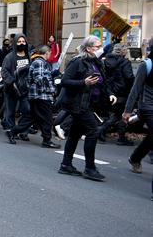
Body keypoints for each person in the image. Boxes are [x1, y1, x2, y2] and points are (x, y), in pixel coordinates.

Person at [57, 35, 117, 181]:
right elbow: (64, 81)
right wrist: (83, 82)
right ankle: (90, 168)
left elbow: (102, 83)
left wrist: (110, 94)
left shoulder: (97, 62)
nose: (100, 49)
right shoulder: (78, 62)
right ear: (89, 48)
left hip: (89, 104)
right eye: (97, 46)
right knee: (93, 131)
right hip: (78, 104)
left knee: (75, 134)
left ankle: (66, 164)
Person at [6, 45, 60, 148]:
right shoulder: (39, 62)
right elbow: (39, 78)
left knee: (32, 118)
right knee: (47, 119)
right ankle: (47, 140)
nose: (50, 55)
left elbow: (41, 77)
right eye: (50, 53)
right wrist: (50, 89)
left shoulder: (38, 62)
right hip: (41, 95)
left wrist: (52, 74)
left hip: (37, 95)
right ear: (47, 53)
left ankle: (12, 132)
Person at [123, 37, 153, 177]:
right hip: (148, 106)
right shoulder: (146, 64)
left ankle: (135, 158)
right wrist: (127, 110)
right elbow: (135, 89)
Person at [99, 43, 134, 145]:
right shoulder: (125, 62)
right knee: (122, 114)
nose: (127, 51)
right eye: (126, 49)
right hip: (122, 91)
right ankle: (121, 138)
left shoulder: (107, 61)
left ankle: (101, 131)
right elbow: (129, 77)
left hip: (111, 91)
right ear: (123, 51)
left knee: (116, 114)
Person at [1, 33, 32, 135]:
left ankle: (21, 130)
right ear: (15, 43)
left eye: (23, 41)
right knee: (10, 111)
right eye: (19, 42)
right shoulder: (9, 57)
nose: (21, 43)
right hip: (11, 89)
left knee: (27, 110)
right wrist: (11, 82)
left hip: (25, 89)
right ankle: (11, 131)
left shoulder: (29, 56)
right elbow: (4, 71)